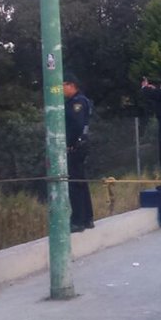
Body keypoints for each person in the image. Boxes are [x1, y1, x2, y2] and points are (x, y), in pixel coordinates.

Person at [63, 74, 95, 233]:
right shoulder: (79, 101)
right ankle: (87, 217)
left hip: (75, 147)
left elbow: (76, 125)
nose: (62, 89)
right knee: (81, 182)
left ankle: (78, 220)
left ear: (72, 85)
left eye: (64, 85)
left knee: (75, 184)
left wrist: (69, 144)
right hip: (80, 145)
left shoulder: (77, 102)